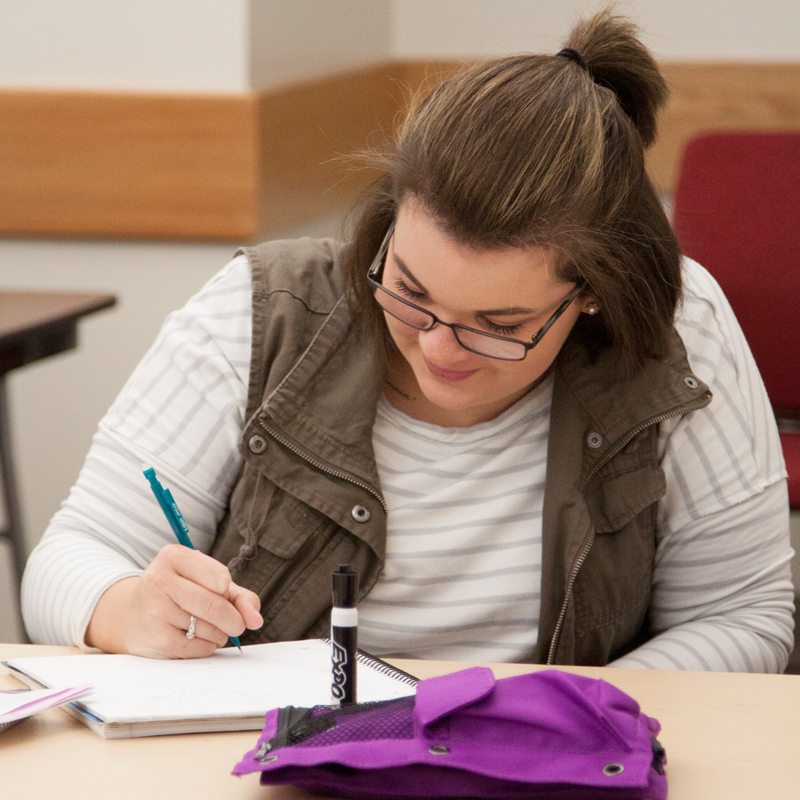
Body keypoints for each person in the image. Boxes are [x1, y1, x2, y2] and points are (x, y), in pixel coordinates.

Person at [22, 10, 794, 670]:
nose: (439, 349)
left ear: (594, 294)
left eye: (502, 327)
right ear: (388, 225)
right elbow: (67, 560)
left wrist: (567, 711)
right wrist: (128, 609)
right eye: (411, 293)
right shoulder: (264, 311)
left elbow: (745, 619)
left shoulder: (677, 326)